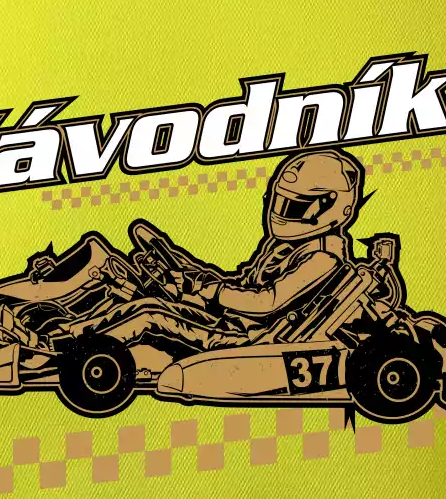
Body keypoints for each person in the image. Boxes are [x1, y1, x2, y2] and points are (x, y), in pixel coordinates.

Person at [107, 147, 366, 357]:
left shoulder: (323, 258)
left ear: (334, 208)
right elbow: (244, 285)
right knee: (148, 303)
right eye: (280, 203)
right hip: (231, 323)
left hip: (248, 341)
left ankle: (91, 351)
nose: (283, 213)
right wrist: (194, 283)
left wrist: (212, 290)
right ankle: (85, 334)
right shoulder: (285, 246)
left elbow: (267, 302)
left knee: (149, 316)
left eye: (296, 207)